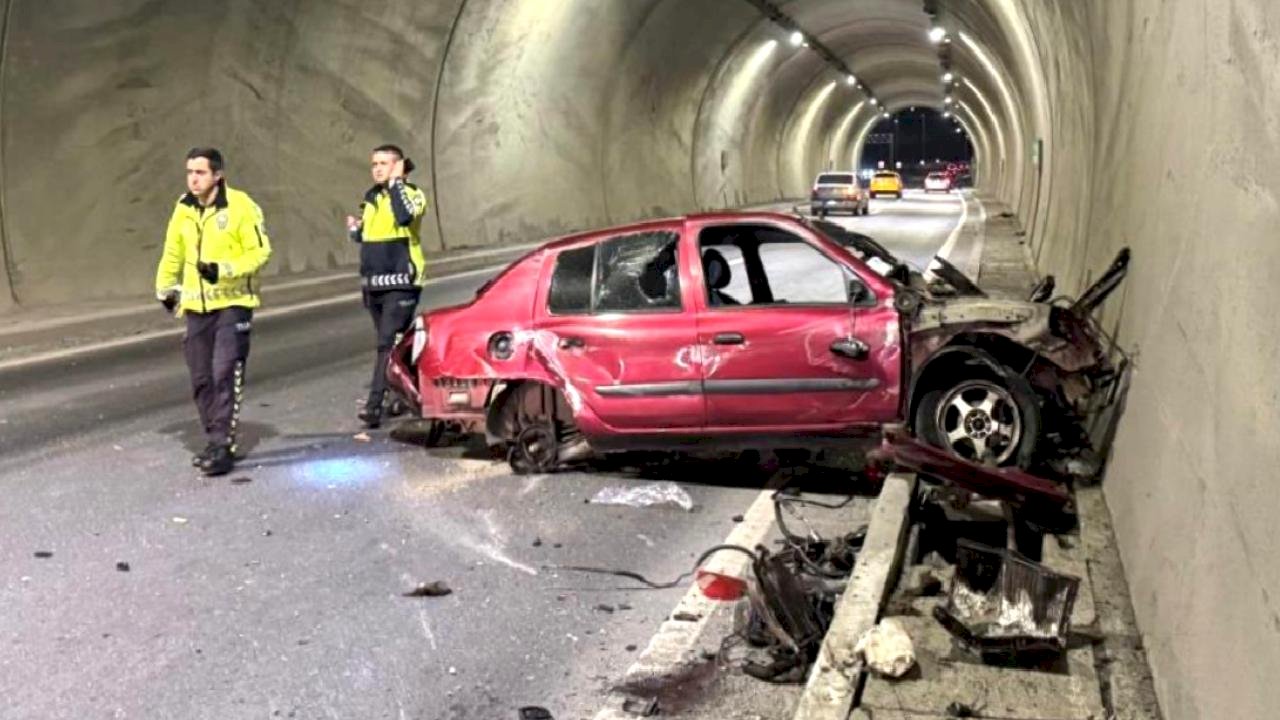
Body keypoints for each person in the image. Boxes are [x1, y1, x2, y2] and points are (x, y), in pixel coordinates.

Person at [155, 148, 272, 475]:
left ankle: (222, 445)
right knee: (201, 377)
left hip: (233, 304)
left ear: (218, 175)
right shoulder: (184, 208)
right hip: (196, 306)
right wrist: (165, 288)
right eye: (190, 171)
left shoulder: (241, 206)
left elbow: (260, 252)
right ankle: (213, 438)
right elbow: (173, 251)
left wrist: (223, 269)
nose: (194, 178)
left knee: (224, 373)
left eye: (201, 172)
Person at [345, 144, 429, 428]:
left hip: (402, 282)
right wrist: (356, 230)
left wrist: (396, 183)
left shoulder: (412, 194)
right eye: (374, 164)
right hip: (374, 283)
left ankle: (374, 404)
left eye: (384, 163)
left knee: (386, 343)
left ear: (398, 166)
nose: (377, 169)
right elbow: (370, 236)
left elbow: (405, 217)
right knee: (393, 345)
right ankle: (408, 391)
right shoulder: (370, 199)